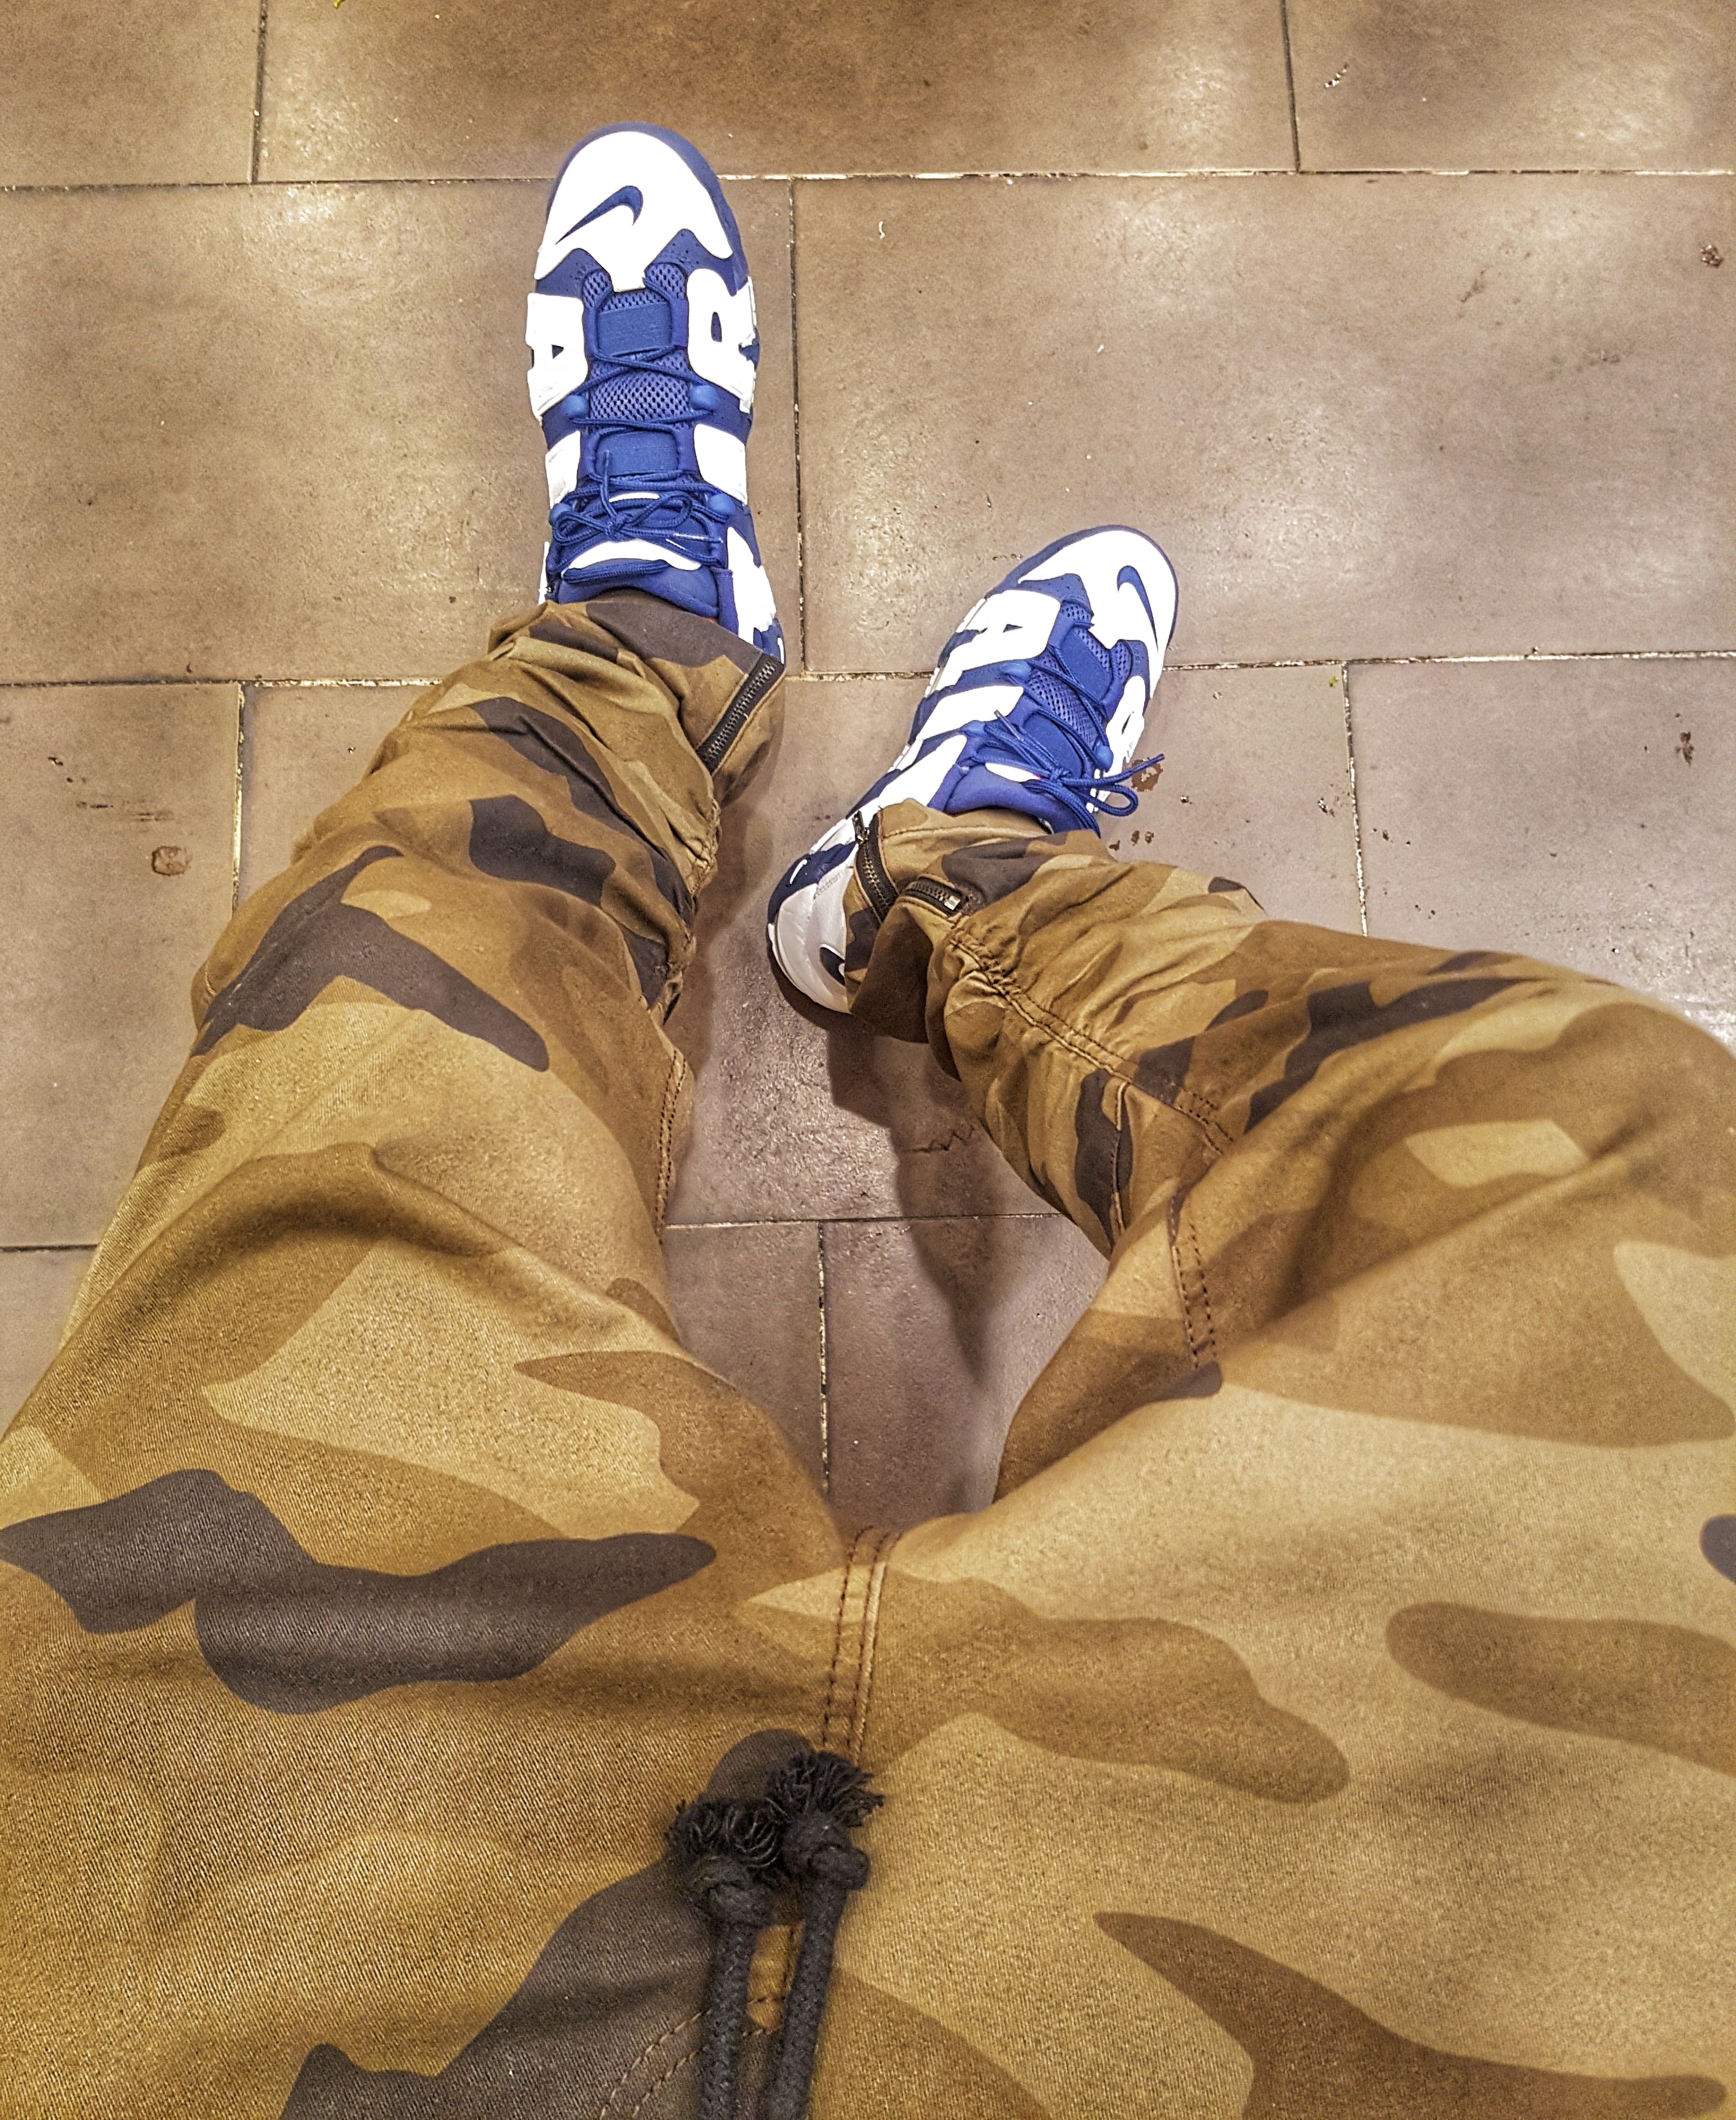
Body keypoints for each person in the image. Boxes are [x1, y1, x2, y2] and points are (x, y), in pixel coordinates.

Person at [0, 124, 1730, 2120]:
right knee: (1608, 1134)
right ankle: (959, 869)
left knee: (348, 1074)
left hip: (199, 1916)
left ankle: (636, 654)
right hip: (1428, 1945)